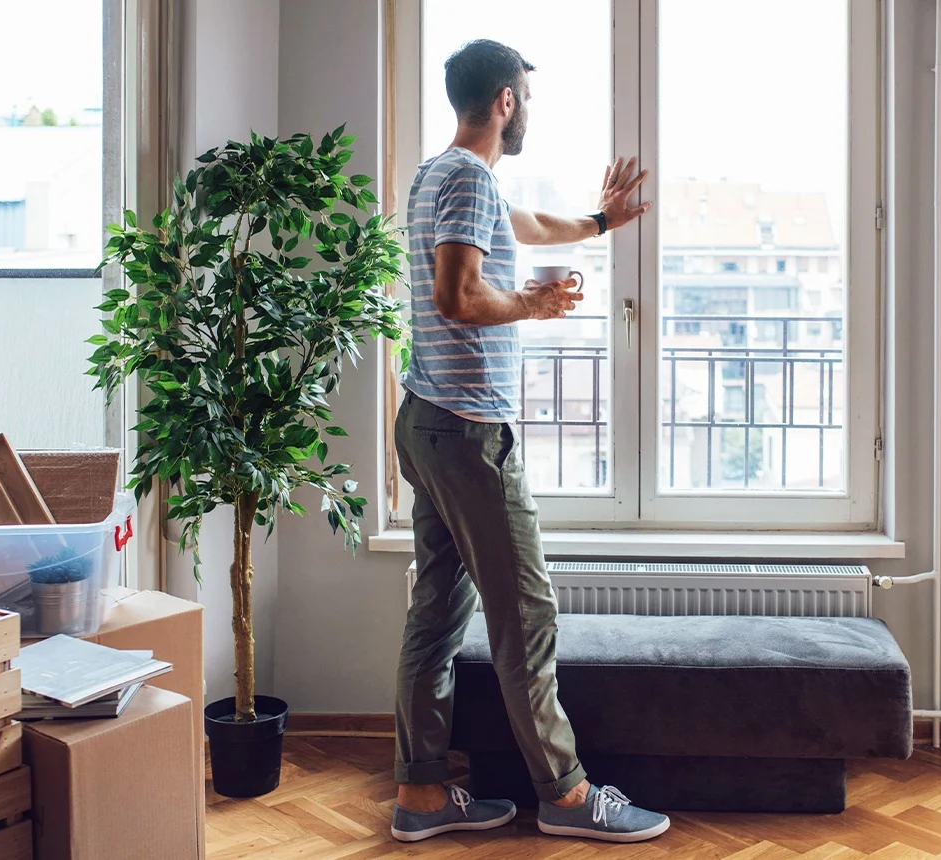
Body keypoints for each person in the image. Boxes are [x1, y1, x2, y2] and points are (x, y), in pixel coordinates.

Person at [390, 38, 667, 844]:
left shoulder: (438, 175)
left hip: (429, 421)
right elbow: (459, 295)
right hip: (469, 433)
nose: (528, 113)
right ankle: (568, 796)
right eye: (527, 100)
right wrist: (532, 308)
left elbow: (528, 224)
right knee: (528, 612)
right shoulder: (470, 178)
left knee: (438, 611)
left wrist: (600, 221)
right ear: (506, 99)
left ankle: (421, 795)